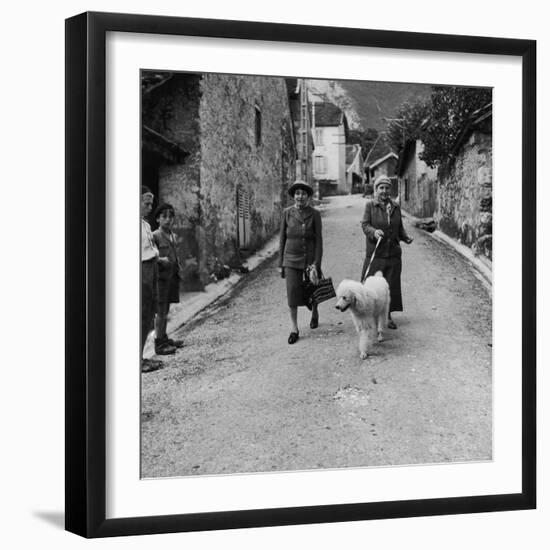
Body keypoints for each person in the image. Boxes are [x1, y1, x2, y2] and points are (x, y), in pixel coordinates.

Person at [360, 175, 413, 329]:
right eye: (381, 188)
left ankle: (387, 316)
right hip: (376, 254)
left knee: (390, 287)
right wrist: (374, 232)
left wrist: (405, 237)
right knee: (370, 287)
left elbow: (399, 227)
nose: (384, 191)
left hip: (393, 254)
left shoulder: (396, 207)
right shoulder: (370, 206)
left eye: (387, 188)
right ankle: (368, 316)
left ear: (390, 189)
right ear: (376, 190)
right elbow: (364, 225)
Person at [278, 180, 323, 344]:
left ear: (308, 196)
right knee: (292, 293)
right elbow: (282, 239)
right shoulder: (287, 213)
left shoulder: (315, 214)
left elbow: (319, 240)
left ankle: (315, 312)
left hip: (310, 259)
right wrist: (280, 264)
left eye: (304, 193)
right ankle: (294, 328)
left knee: (313, 288)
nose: (300, 196)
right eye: (297, 193)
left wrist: (316, 263)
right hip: (290, 258)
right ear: (293, 196)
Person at [153, 203, 184, 355]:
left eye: (171, 217)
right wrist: (160, 260)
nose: (168, 220)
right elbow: (151, 256)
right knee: (160, 312)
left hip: (172, 278)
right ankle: (159, 343)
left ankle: (164, 337)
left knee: (166, 310)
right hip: (161, 280)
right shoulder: (155, 236)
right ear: (158, 219)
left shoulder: (172, 235)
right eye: (164, 216)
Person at [141, 186, 164, 373]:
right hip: (141, 272)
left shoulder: (146, 225)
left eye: (151, 203)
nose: (150, 207)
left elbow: (150, 249)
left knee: (149, 315)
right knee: (140, 316)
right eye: (146, 203)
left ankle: (141, 357)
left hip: (152, 268)